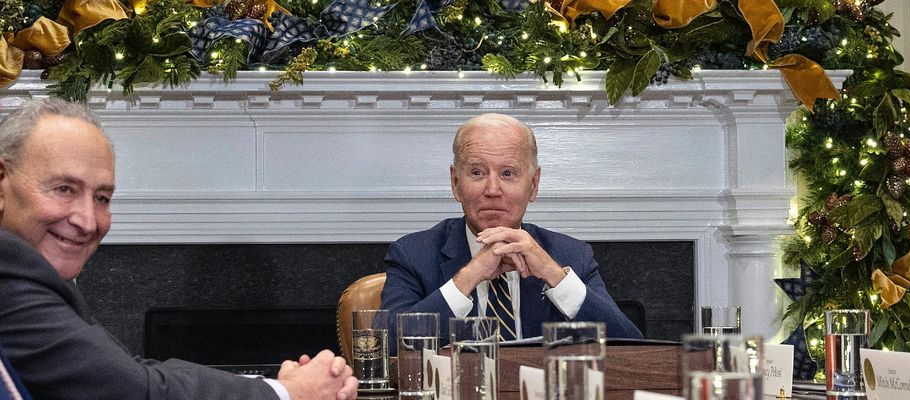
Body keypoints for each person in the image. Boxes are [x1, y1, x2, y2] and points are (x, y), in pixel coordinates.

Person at [0, 97, 359, 400]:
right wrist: (286, 394)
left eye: (102, 197)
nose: (88, 221)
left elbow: (126, 373)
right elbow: (134, 390)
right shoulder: (9, 271)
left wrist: (277, 386)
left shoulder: (29, 273)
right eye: (64, 189)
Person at [380, 113, 642, 340]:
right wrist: (468, 277)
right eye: (477, 173)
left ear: (534, 184)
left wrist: (555, 277)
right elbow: (386, 347)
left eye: (508, 173)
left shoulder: (571, 256)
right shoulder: (413, 254)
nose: (493, 190)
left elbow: (633, 348)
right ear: (455, 182)